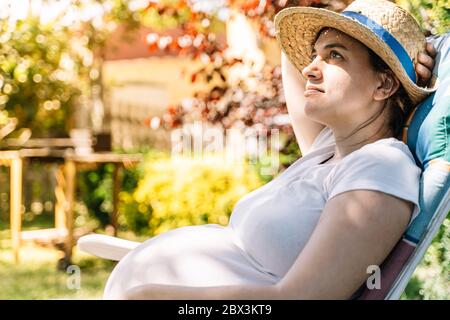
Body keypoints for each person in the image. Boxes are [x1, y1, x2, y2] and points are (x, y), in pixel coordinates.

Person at [78, 0, 438, 299]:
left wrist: (151, 296)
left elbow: (298, 299)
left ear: (384, 84)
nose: (311, 68)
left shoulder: (379, 168)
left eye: (335, 56)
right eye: (314, 55)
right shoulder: (328, 149)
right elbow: (288, 54)